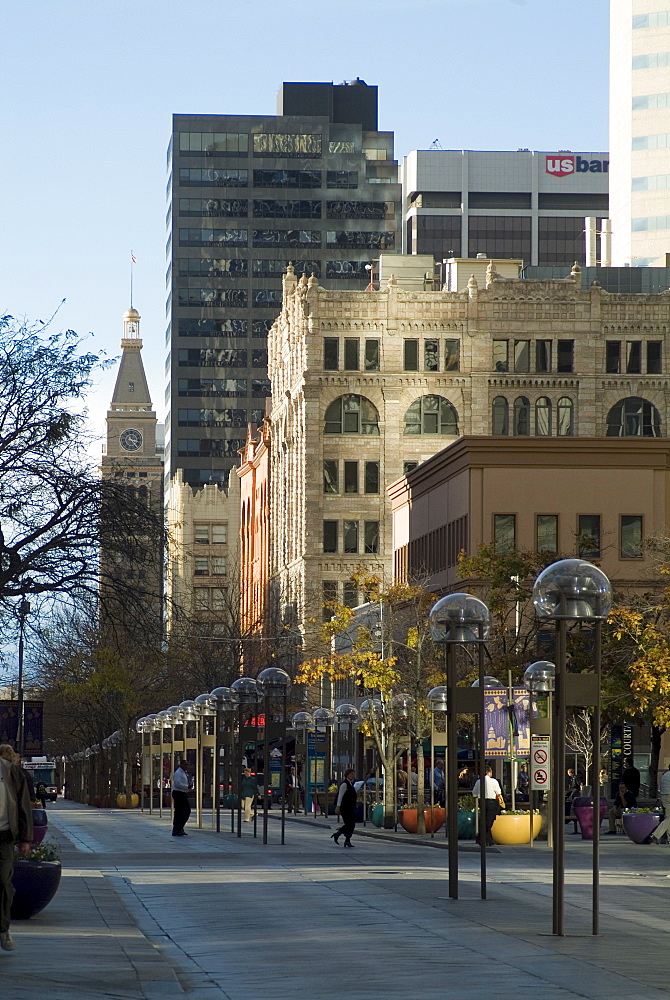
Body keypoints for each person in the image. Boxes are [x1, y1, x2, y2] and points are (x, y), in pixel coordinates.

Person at [0, 745, 33, 951]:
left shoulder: (11, 772)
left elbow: (23, 806)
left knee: (3, 881)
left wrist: (25, 838)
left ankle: (3, 929)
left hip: (4, 835)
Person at [472, 765, 503, 847]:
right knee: (489, 821)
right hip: (491, 802)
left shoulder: (478, 781)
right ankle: (484, 838)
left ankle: (484, 839)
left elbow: (474, 793)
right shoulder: (493, 781)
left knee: (484, 819)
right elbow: (498, 792)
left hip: (481, 801)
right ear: (489, 772)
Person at [331, 769, 357, 847]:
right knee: (349, 823)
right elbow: (340, 795)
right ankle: (339, 834)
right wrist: (338, 806)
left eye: (353, 774)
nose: (353, 776)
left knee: (351, 824)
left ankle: (346, 839)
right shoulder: (344, 784)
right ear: (347, 775)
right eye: (351, 774)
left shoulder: (351, 784)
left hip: (350, 807)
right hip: (345, 807)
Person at [171, 759, 191, 837]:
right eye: (185, 765)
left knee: (180, 812)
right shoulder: (178, 773)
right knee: (185, 811)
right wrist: (187, 786)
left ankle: (179, 828)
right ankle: (178, 828)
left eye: (187, 765)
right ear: (181, 765)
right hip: (179, 793)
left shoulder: (183, 773)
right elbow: (177, 784)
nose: (187, 766)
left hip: (182, 793)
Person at [650, 766, 670, 845]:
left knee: (668, 817)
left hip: (664, 797)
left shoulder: (665, 775)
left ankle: (667, 838)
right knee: (669, 819)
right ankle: (656, 835)